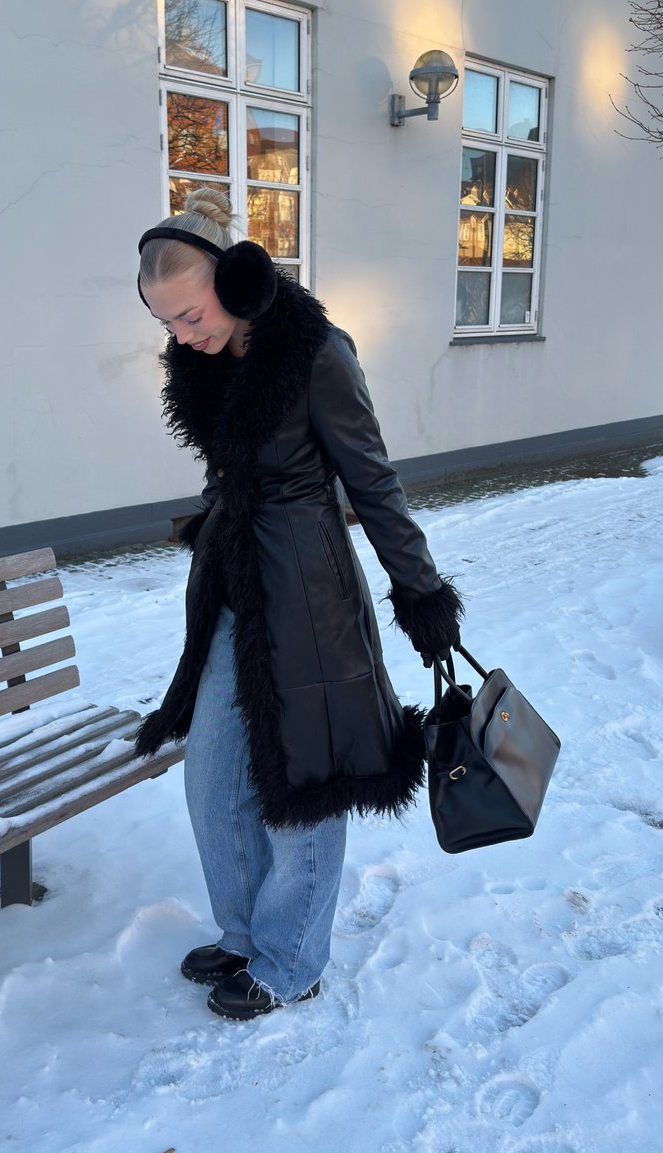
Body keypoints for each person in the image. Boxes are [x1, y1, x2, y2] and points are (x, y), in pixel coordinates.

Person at [134, 188, 463, 1021]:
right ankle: (244, 931)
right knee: (214, 774)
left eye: (188, 313)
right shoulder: (208, 363)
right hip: (233, 591)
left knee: (303, 782)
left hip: (309, 597)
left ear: (235, 279)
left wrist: (420, 593)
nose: (180, 334)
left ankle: (290, 959)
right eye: (166, 323)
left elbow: (373, 481)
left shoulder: (314, 352)